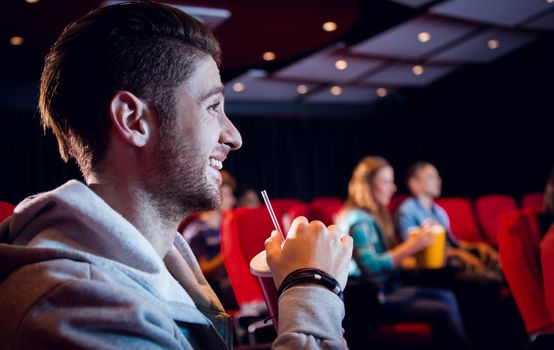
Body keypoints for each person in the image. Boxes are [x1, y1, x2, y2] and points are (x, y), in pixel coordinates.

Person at [0, 1, 353, 349]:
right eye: (213, 107)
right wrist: (311, 288)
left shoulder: (164, 261)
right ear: (133, 121)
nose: (234, 136)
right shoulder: (76, 306)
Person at [335, 156, 471, 349]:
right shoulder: (358, 219)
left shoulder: (374, 215)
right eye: (386, 181)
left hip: (385, 290)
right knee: (443, 310)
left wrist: (422, 247)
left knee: (447, 296)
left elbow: (391, 261)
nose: (393, 188)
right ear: (367, 185)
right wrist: (413, 245)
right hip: (368, 301)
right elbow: (371, 268)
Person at [397, 162, 500, 273]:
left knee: (490, 258)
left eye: (438, 176)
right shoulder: (407, 211)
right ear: (414, 183)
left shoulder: (439, 211)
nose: (439, 180)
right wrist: (458, 254)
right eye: (431, 176)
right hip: (432, 268)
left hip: (450, 258)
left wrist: (476, 247)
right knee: (489, 278)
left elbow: (452, 242)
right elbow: (413, 250)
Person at [182, 170, 238, 309]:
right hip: (214, 294)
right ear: (214, 196)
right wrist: (229, 255)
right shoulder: (197, 230)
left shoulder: (227, 227)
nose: (233, 201)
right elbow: (199, 272)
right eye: (228, 195)